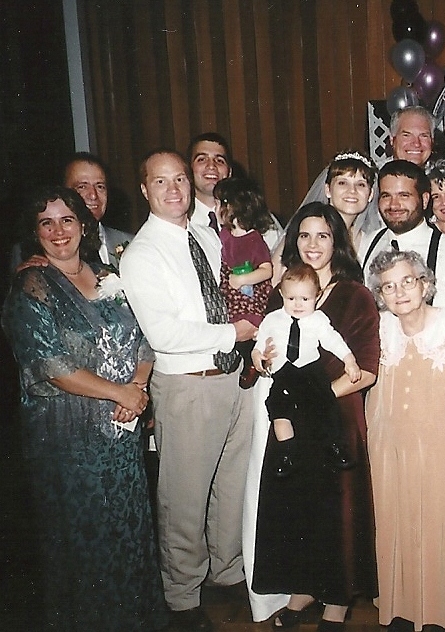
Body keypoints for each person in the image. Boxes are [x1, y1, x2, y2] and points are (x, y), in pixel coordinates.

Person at [2, 186, 167, 631]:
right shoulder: (31, 286)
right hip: (67, 443)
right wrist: (120, 393)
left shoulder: (107, 275)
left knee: (129, 534)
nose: (58, 231)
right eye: (46, 223)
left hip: (120, 438)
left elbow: (144, 339)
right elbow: (51, 366)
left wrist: (137, 386)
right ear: (34, 233)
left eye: (67, 220)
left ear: (84, 226)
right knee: (85, 548)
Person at [120, 149, 257, 632]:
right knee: (184, 496)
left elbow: (240, 282)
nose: (175, 189)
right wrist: (232, 334)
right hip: (190, 386)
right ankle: (181, 596)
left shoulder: (206, 233)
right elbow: (164, 335)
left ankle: (227, 571)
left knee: (231, 485)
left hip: (236, 378)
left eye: (180, 178)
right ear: (145, 190)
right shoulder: (142, 254)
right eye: (162, 182)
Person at [243, 202, 380, 631]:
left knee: (336, 513)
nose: (313, 244)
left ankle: (336, 601)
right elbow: (260, 357)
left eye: (323, 234)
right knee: (298, 510)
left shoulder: (355, 295)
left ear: (337, 240)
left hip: (334, 418)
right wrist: (259, 358)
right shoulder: (282, 291)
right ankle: (304, 589)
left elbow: (367, 369)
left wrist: (313, 402)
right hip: (290, 421)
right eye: (304, 235)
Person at [364, 249, 445, 632]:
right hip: (390, 447)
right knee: (396, 527)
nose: (399, 292)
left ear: (425, 284)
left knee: (440, 531)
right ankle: (403, 608)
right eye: (388, 286)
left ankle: (443, 613)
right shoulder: (380, 328)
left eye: (407, 281)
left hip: (442, 448)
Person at [359, 159, 445, 336]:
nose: (394, 204)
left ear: (424, 199)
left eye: (404, 195)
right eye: (386, 196)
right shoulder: (369, 243)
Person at [251, 263, 361, 476]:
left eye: (305, 299)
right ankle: (286, 452)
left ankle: (334, 446)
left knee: (325, 405)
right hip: (282, 372)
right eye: (291, 299)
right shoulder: (272, 319)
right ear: (282, 293)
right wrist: (258, 357)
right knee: (278, 410)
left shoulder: (318, 320)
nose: (298, 305)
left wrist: (349, 360)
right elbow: (259, 345)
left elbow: (333, 340)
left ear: (317, 297)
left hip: (310, 370)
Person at [9, 152, 134, 272]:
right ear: (64, 191)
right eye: (82, 186)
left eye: (100, 186)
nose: (93, 195)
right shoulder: (28, 253)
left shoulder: (131, 243)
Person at [213, 177, 275, 388]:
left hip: (249, 293)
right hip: (229, 291)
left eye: (219, 203)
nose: (214, 208)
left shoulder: (254, 239)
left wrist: (242, 279)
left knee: (247, 324)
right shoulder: (222, 235)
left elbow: (266, 270)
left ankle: (252, 360)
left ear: (232, 207)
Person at [187, 132, 284, 250]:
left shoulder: (255, 213)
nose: (211, 166)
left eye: (219, 160)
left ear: (229, 172)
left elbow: (280, 258)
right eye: (202, 159)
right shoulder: (181, 219)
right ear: (188, 170)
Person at [292, 150, 379, 267]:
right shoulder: (304, 231)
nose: (352, 190)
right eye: (343, 183)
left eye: (361, 184)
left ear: (371, 194)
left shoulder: (371, 242)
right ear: (328, 190)